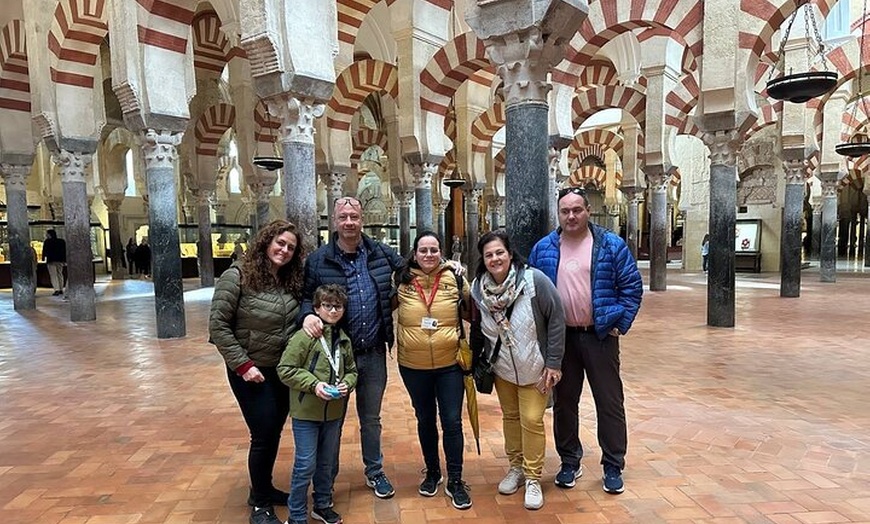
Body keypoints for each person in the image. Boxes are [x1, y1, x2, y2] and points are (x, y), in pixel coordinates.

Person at [528, 186, 643, 495]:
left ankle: (613, 465)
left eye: (577, 210)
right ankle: (569, 461)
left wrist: (621, 323)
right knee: (565, 403)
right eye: (565, 211)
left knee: (609, 401)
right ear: (559, 214)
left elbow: (632, 286)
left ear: (587, 211)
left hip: (600, 336)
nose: (571, 216)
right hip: (561, 338)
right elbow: (532, 292)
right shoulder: (543, 248)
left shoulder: (610, 245)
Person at [299, 195, 404, 499]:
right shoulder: (319, 259)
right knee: (333, 420)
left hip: (372, 354)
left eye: (354, 217)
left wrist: (449, 267)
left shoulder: (379, 253)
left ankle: (375, 471)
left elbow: (413, 267)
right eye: (343, 217)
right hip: (336, 357)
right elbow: (307, 297)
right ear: (334, 221)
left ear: (362, 220)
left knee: (371, 419)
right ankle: (326, 481)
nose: (349, 223)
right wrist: (307, 315)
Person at [209, 220, 305, 524]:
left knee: (272, 431)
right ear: (265, 242)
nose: (284, 250)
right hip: (250, 371)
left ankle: (262, 488)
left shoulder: (289, 280)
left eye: (291, 247)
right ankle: (260, 506)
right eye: (280, 243)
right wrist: (244, 365)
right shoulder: (237, 276)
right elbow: (218, 326)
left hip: (281, 371)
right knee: (262, 433)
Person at [469, 230, 565, 510]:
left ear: (510, 254)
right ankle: (516, 468)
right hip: (502, 368)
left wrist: (554, 362)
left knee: (532, 419)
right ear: (483, 260)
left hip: (536, 368)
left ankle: (533, 476)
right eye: (489, 255)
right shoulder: (478, 288)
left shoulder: (534, 281)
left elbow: (557, 317)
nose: (495, 258)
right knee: (510, 417)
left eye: (500, 252)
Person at [394, 231, 472, 509]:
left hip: (449, 364)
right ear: (414, 254)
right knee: (425, 419)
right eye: (423, 250)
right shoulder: (400, 280)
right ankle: (433, 472)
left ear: (442, 253)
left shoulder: (455, 278)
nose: (428, 255)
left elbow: (474, 307)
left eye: (434, 250)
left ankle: (456, 479)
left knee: (452, 421)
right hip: (413, 366)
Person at [278, 284, 357, 524]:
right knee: (305, 464)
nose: (333, 311)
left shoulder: (343, 340)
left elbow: (352, 370)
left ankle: (322, 504)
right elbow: (285, 369)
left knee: (326, 462)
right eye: (327, 306)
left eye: (338, 307)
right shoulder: (305, 337)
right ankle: (297, 513)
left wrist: (347, 383)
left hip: (333, 413)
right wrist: (314, 385)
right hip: (306, 413)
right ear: (316, 308)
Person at [42, 229, 66, 296]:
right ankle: (61, 288)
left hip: (51, 260)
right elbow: (64, 251)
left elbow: (45, 251)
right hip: (60, 260)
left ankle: (56, 289)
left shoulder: (47, 242)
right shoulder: (61, 241)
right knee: (60, 274)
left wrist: (43, 258)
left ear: (49, 235)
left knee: (53, 275)